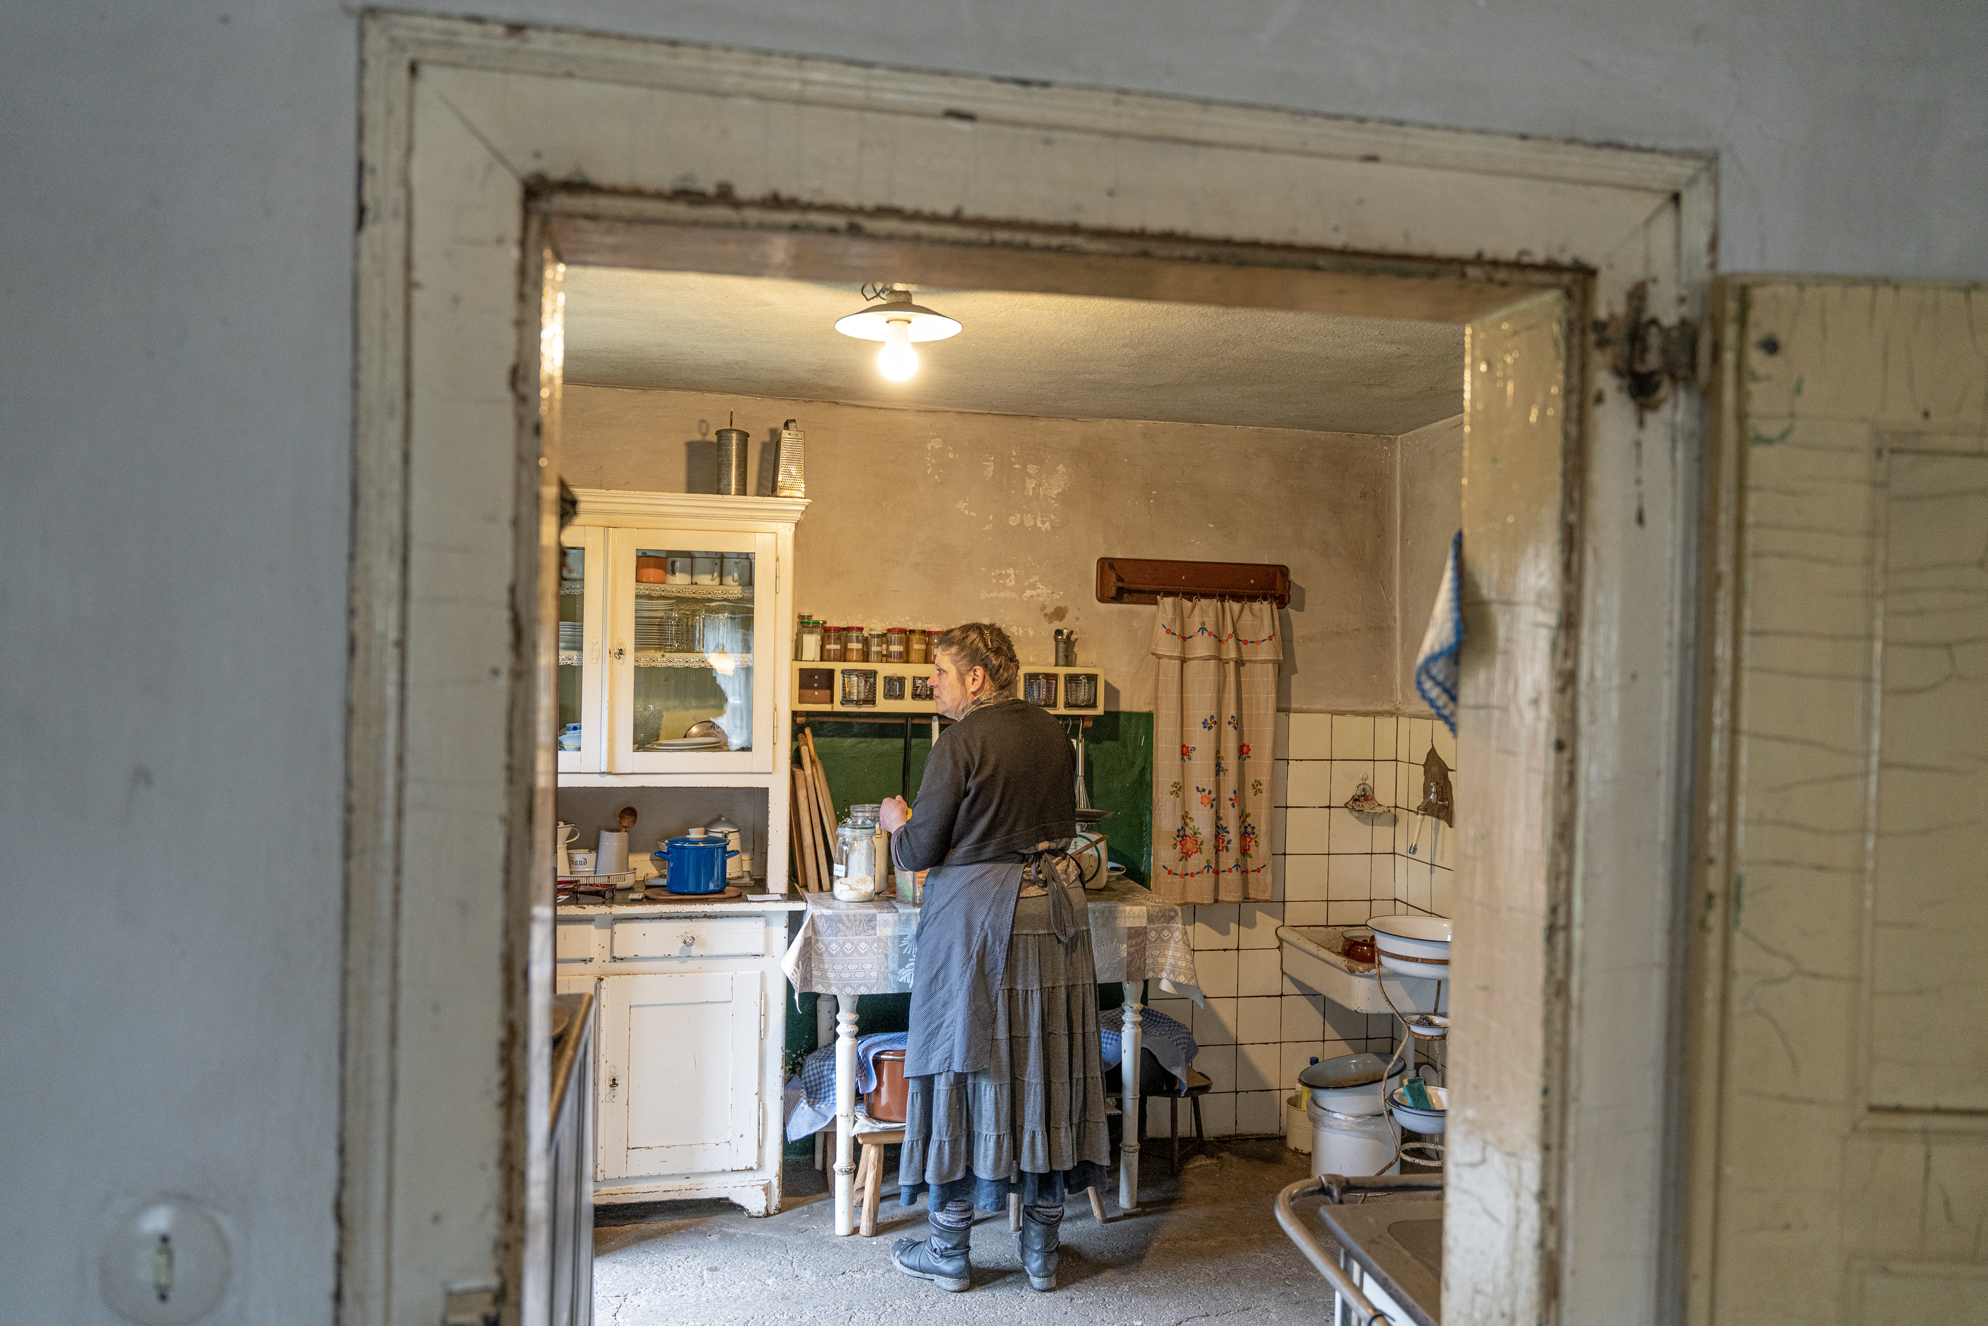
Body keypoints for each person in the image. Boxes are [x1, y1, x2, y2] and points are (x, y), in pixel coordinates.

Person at [878, 622, 1111, 1294]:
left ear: (976, 677)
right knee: (1045, 1065)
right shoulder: (1051, 732)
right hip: (1054, 915)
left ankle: (950, 1251)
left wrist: (899, 823)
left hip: (979, 917)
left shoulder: (961, 741)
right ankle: (1041, 1252)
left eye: (940, 674)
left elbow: (921, 851)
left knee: (960, 1066)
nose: (931, 685)